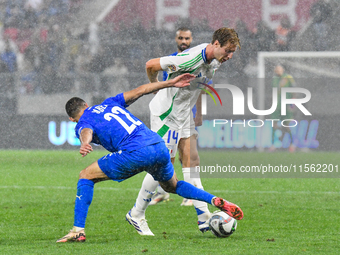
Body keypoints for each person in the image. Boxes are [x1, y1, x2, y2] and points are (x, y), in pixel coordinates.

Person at [56, 73, 244, 243]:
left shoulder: (82, 121)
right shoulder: (109, 103)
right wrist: (170, 83)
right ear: (86, 105)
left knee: (85, 175)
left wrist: (84, 142)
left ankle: (78, 230)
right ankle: (213, 200)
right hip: (158, 145)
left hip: (135, 152)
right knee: (172, 185)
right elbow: (141, 90)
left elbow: (86, 130)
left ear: (72, 119)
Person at [127, 27, 242, 235]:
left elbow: (199, 85)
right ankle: (136, 214)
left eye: (232, 52)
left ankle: (204, 216)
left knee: (191, 161)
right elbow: (150, 65)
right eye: (228, 50)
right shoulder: (188, 59)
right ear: (216, 44)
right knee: (161, 167)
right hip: (167, 116)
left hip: (184, 114)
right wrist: (158, 87)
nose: (230, 56)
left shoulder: (215, 60)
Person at [150, 27, 201, 207]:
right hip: (170, 114)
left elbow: (200, 90)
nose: (184, 41)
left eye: (187, 38)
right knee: (166, 155)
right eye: (181, 38)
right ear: (175, 38)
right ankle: (163, 192)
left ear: (191, 39)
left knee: (189, 155)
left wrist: (199, 114)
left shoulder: (197, 60)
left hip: (187, 113)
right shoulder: (171, 60)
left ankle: (190, 193)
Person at [269, 64, 296, 152]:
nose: (277, 70)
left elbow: (294, 90)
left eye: (279, 69)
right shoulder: (274, 79)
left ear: (283, 69)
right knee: (274, 124)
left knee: (286, 126)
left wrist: (292, 104)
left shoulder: (288, 78)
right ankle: (273, 145)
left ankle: (292, 144)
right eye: (276, 69)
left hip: (286, 105)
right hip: (276, 106)